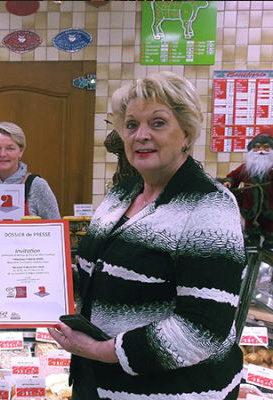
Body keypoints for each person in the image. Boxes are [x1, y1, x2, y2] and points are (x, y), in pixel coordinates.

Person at [47, 71, 245, 399]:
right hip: (99, 384)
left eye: (157, 123)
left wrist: (100, 351)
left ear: (185, 133)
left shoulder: (209, 204)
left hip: (176, 391)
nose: (141, 135)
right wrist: (21, 270)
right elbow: (94, 277)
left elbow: (201, 330)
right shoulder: (119, 196)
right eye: (131, 125)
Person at [0, 121, 60, 219]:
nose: (2, 154)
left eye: (10, 148)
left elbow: (55, 229)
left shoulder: (37, 186)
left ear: (21, 151)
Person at [221, 129, 273, 248]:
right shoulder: (246, 168)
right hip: (250, 205)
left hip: (270, 206)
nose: (261, 151)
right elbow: (233, 177)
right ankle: (252, 240)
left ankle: (270, 241)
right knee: (251, 225)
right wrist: (229, 182)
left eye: (266, 147)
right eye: (257, 147)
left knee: (270, 225)